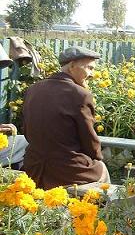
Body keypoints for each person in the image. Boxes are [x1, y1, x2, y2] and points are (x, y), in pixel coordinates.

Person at [22, 46, 110, 189]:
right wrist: (97, 159)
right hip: (67, 170)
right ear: (72, 66)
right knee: (101, 169)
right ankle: (98, 211)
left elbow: (26, 131)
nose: (92, 74)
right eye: (89, 68)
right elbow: (89, 141)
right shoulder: (80, 94)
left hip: (33, 167)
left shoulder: (33, 89)